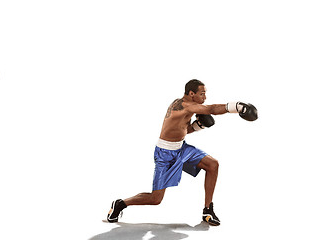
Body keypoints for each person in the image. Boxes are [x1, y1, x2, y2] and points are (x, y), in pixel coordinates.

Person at [107, 79, 257, 226]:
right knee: (155, 199)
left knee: (212, 165)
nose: (204, 98)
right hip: (165, 154)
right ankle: (120, 203)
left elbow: (182, 130)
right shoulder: (186, 105)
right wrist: (237, 107)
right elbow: (211, 109)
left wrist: (198, 126)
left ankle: (208, 210)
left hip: (181, 148)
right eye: (202, 94)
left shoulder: (185, 105)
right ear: (191, 94)